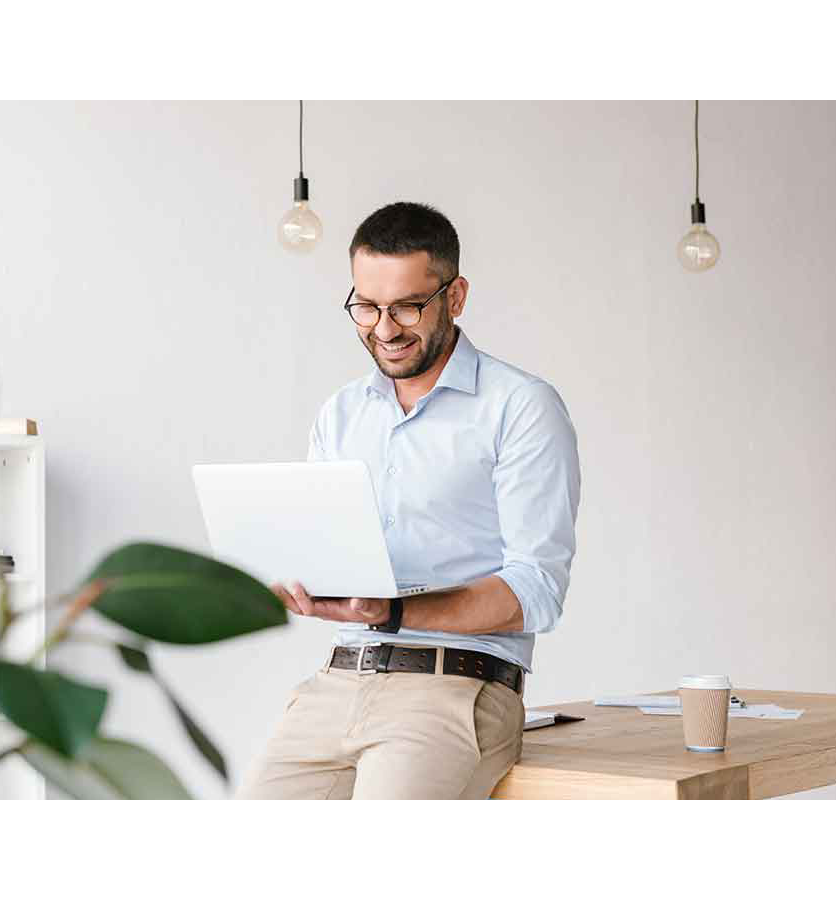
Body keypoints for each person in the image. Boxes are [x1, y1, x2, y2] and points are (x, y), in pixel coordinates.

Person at [235, 202, 581, 800]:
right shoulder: (341, 413)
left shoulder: (520, 407)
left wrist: (392, 611)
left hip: (453, 690)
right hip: (337, 683)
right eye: (366, 307)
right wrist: (291, 579)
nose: (384, 328)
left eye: (407, 307)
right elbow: (326, 558)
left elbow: (536, 590)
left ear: (456, 295)